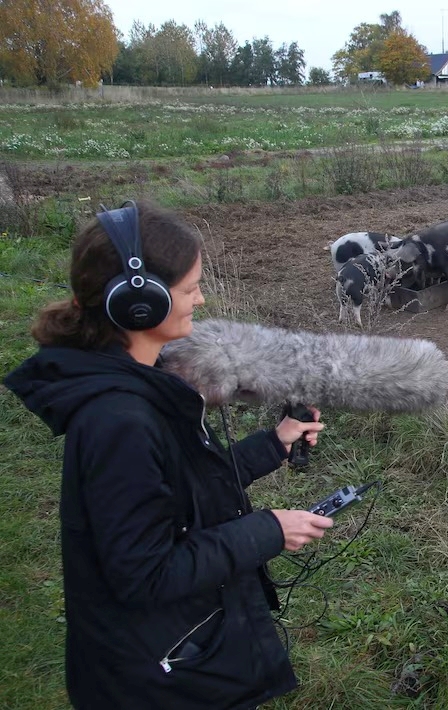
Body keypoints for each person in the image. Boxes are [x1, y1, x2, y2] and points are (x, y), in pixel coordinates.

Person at [4, 201, 332, 709]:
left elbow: (177, 491)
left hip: (170, 652)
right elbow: (146, 573)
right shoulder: (120, 420)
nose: (200, 298)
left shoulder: (139, 383)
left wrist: (275, 442)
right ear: (140, 304)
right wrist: (269, 529)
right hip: (158, 679)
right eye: (188, 288)